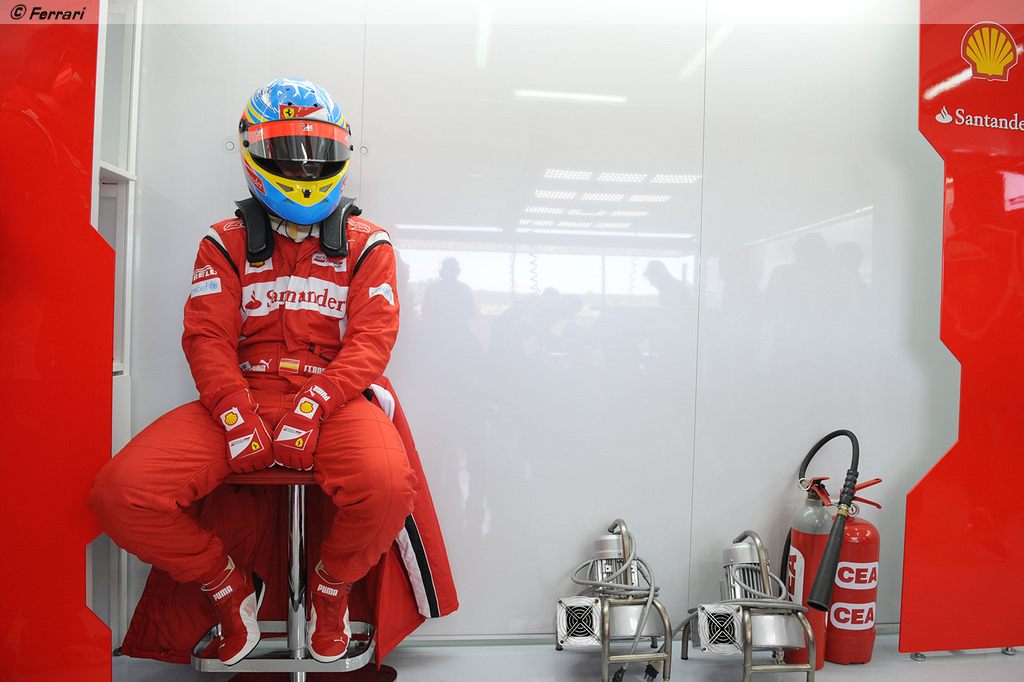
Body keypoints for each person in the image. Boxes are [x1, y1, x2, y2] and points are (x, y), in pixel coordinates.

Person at [89, 78, 417, 666]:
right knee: (121, 495)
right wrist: (236, 413)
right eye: (289, 154)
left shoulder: (370, 242)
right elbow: (206, 338)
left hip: (336, 399)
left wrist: (315, 404)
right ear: (253, 154)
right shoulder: (225, 240)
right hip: (241, 392)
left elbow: (372, 343)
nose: (305, 167)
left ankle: (330, 590)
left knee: (390, 488)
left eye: (318, 153)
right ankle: (229, 587)